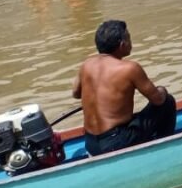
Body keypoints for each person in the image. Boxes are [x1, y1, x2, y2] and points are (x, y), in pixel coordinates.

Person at [72, 20, 176, 157]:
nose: (131, 42)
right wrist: (162, 89)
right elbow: (157, 100)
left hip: (91, 144)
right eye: (129, 38)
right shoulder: (130, 68)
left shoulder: (86, 65)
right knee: (167, 101)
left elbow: (76, 94)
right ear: (122, 45)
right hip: (116, 142)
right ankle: (164, 148)